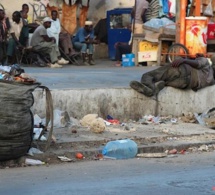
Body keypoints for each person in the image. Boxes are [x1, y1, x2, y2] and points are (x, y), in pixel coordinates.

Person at [130, 54, 215, 97]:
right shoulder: (212, 81)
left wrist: (184, 60)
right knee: (163, 80)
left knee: (147, 75)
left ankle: (150, 90)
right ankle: (157, 87)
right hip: (184, 84)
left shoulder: (205, 62)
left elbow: (198, 63)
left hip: (181, 70)